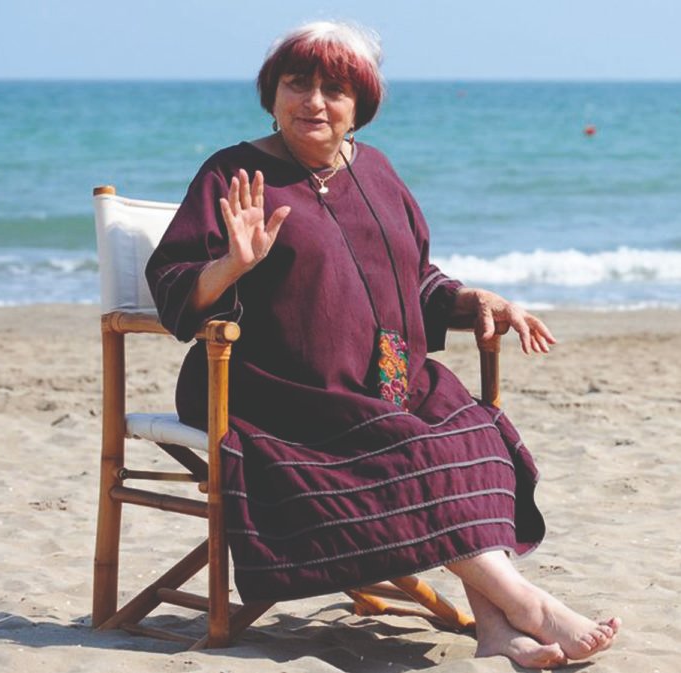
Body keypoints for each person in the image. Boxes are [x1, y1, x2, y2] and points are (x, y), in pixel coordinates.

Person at [145, 20, 618, 667]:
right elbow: (172, 285)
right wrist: (231, 263)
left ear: (359, 105)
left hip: (384, 376)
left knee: (472, 428)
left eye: (333, 89)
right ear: (272, 92)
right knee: (411, 447)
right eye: (297, 83)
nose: (313, 100)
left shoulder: (379, 173)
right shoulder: (233, 172)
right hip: (269, 389)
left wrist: (478, 300)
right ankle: (531, 605)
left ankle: (496, 630)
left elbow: (416, 280)